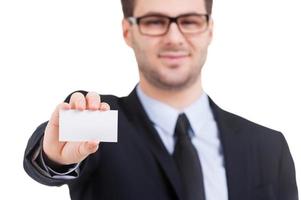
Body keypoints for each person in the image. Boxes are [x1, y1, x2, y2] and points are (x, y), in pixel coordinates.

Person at [23, 0, 298, 199]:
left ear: (209, 30)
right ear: (128, 31)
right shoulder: (99, 124)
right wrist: (53, 159)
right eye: (155, 21)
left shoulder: (268, 147)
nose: (174, 37)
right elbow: (53, 156)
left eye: (190, 21)